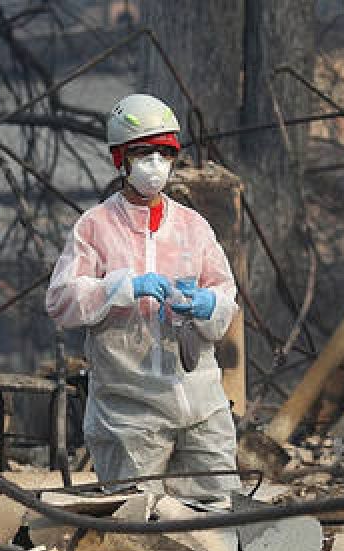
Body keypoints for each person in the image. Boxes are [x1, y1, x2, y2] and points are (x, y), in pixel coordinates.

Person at [45, 93, 241, 506]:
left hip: (201, 404)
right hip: (128, 411)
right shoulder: (95, 227)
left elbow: (225, 296)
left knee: (218, 514)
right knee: (137, 525)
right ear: (120, 159)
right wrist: (120, 288)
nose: (155, 164)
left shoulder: (193, 227)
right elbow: (61, 301)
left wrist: (208, 304)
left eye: (163, 153)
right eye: (143, 153)